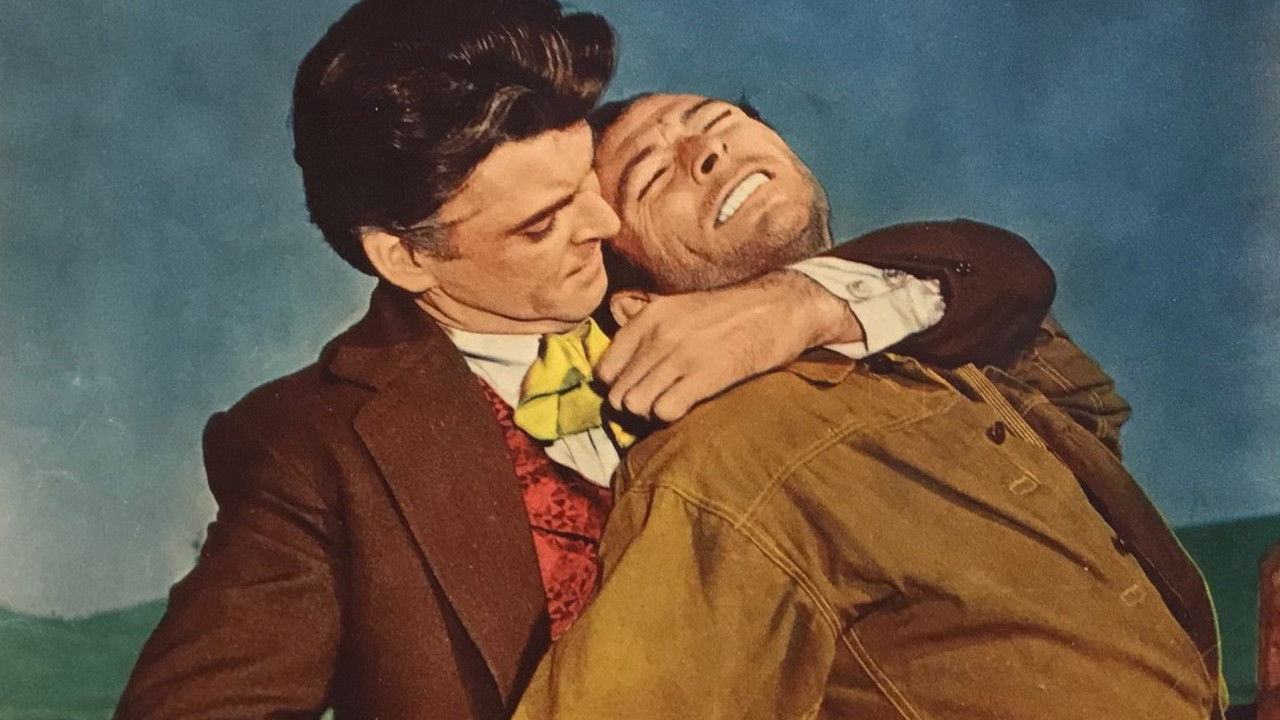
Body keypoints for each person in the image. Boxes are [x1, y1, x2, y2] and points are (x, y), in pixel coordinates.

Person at [114, 3, 1054, 718]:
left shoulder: (663, 271)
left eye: (587, 183)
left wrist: (795, 303)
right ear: (404, 256)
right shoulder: (309, 448)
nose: (603, 223)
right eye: (542, 222)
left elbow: (999, 275)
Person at [511, 94, 1225, 720]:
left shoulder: (927, 352)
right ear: (638, 305)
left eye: (717, 119)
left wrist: (807, 303)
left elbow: (1058, 356)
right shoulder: (718, 464)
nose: (706, 150)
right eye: (652, 175)